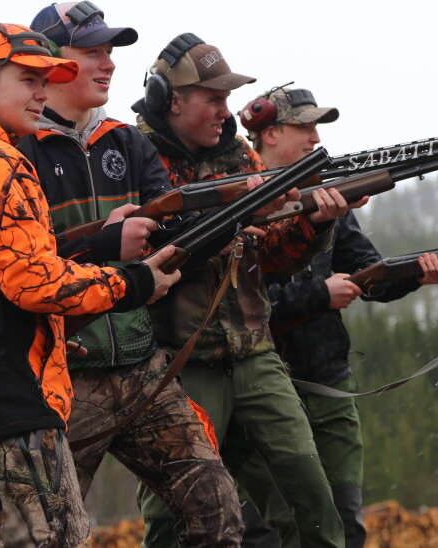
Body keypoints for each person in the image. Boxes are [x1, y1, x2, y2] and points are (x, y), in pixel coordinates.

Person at [0, 23, 180, 547]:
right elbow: (35, 281)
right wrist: (131, 283)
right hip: (2, 416)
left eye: (46, 81)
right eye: (28, 80)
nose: (43, 93)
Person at [17, 3, 243, 546]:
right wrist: (103, 245)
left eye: (110, 52)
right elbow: (21, 266)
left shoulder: (127, 141)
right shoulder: (17, 150)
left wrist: (244, 212)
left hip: (142, 367)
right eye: (93, 52)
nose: (109, 63)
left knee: (219, 513)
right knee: (50, 536)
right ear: (50, 63)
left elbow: (175, 241)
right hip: (65, 376)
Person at [131, 34, 361, 548]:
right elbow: (139, 259)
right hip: (179, 363)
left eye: (227, 98)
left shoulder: (238, 155)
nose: (225, 111)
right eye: (213, 99)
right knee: (171, 518)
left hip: (254, 354)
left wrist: (315, 223)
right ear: (170, 100)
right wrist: (225, 225)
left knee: (312, 505)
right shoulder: (133, 155)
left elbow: (274, 254)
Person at [230, 87, 438, 548]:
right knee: (265, 532)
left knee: (345, 525)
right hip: (260, 391)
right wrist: (319, 295)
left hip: (328, 384)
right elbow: (237, 304)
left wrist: (417, 274)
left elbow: (370, 274)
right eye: (304, 127)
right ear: (269, 133)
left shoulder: (327, 199)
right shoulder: (238, 203)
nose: (316, 138)